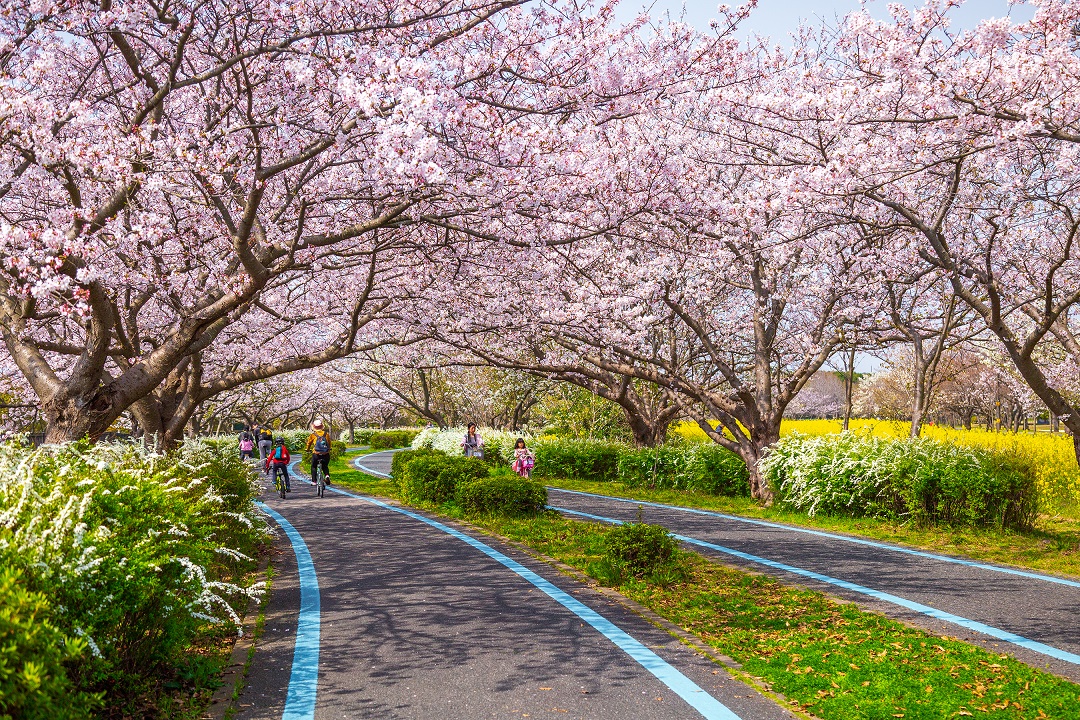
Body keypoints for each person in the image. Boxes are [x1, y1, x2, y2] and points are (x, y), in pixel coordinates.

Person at [306, 419, 333, 485]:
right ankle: (327, 475)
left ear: (314, 427)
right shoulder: (326, 434)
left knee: (313, 466)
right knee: (325, 466)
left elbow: (309, 443)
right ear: (322, 426)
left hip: (316, 454)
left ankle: (314, 481)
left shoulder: (313, 435)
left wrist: (307, 449)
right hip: (325, 454)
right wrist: (329, 449)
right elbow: (329, 443)